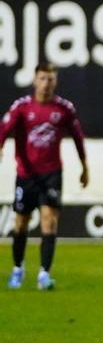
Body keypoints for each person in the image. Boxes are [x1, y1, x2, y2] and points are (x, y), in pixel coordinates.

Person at [1, 63, 89, 291]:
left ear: (55, 82)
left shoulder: (64, 109)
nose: (46, 84)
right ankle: (18, 269)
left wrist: (84, 165)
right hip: (26, 174)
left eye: (50, 79)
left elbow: (78, 137)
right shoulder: (22, 107)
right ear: (34, 80)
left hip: (51, 174)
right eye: (42, 78)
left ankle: (43, 274)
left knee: (49, 220)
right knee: (21, 223)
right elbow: (4, 128)